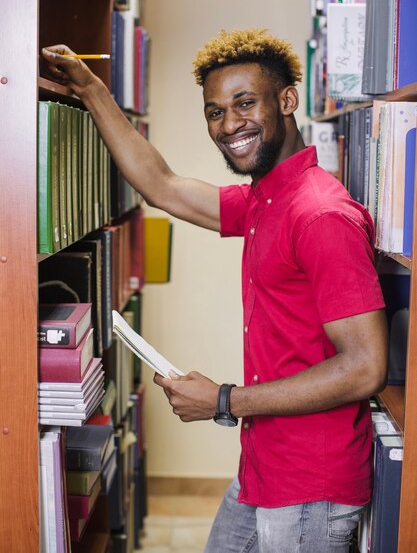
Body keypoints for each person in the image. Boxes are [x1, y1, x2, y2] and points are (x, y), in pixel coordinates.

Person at [42, 28, 388, 553]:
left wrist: (224, 401)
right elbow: (161, 185)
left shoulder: (319, 215)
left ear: (287, 99)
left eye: (245, 103)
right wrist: (92, 91)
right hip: (266, 465)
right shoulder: (266, 199)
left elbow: (365, 365)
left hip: (309, 488)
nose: (229, 125)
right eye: (215, 112)